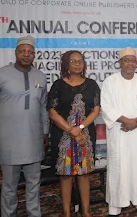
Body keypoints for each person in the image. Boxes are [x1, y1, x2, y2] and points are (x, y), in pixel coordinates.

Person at [0, 35, 49, 217]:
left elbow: (43, 107)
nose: (26, 55)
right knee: (9, 187)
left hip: (34, 140)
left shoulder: (40, 76)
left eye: (30, 52)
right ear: (16, 52)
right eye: (22, 51)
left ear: (35, 54)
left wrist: (46, 132)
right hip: (9, 142)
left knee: (34, 184)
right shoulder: (0, 75)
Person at [100, 47, 137, 217]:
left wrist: (136, 122)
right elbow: (106, 107)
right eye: (126, 60)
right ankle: (116, 204)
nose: (130, 63)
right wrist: (126, 121)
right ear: (120, 63)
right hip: (119, 132)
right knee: (119, 167)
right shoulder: (110, 82)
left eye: (133, 60)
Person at [47, 50, 100, 217]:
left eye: (80, 61)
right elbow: (52, 112)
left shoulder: (91, 84)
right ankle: (66, 212)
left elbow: (96, 110)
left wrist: (81, 127)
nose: (77, 64)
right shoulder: (58, 85)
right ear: (66, 65)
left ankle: (85, 211)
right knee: (65, 175)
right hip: (63, 136)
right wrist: (72, 130)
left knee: (84, 174)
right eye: (73, 61)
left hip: (85, 137)